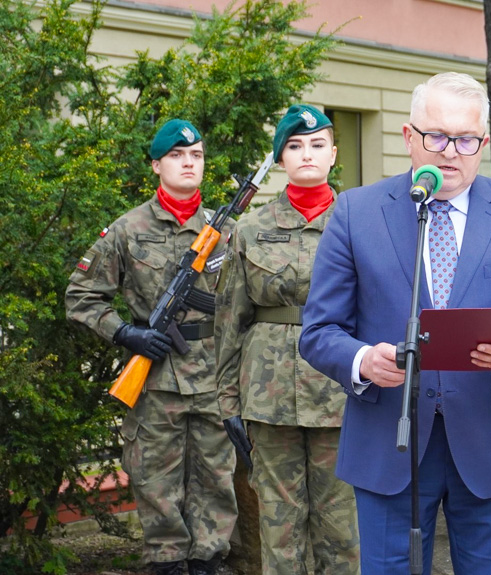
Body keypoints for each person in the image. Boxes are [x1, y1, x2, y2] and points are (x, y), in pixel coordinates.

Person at [298, 72, 491, 574]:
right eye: (437, 136)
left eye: (466, 139)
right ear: (409, 137)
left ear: (483, 144)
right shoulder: (356, 213)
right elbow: (318, 332)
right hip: (391, 439)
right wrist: (363, 360)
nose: (451, 151)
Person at [66, 119, 238, 575]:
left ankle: (208, 562)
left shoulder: (229, 232)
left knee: (217, 480)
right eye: (178, 156)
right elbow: (81, 297)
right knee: (156, 483)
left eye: (196, 155)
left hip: (213, 379)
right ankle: (166, 564)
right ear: (157, 165)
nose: (188, 163)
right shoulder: (127, 229)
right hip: (156, 377)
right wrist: (125, 333)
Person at [215, 104, 360, 574]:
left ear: (333, 154)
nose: (306, 155)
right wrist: (227, 400)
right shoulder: (250, 228)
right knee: (279, 522)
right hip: (267, 393)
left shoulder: (359, 223)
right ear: (281, 160)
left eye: (317, 145)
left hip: (340, 389)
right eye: (294, 147)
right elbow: (230, 317)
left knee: (342, 524)